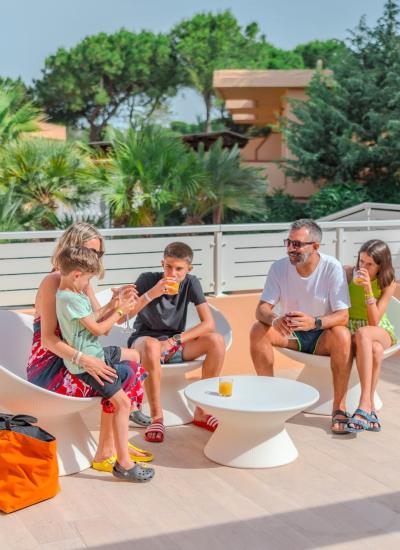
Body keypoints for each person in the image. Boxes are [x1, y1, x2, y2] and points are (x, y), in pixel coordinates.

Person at [27, 222, 153, 473]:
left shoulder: (82, 282)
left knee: (133, 358)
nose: (95, 258)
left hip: (74, 356)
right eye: (92, 252)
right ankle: (110, 450)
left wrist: (116, 303)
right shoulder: (54, 282)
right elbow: (49, 341)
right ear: (73, 250)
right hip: (52, 366)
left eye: (99, 253)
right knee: (124, 372)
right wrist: (85, 359)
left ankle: (115, 443)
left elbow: (101, 327)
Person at [55, 246, 154, 482]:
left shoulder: (74, 294)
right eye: (88, 278)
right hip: (88, 364)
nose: (89, 283)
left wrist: (114, 302)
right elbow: (99, 329)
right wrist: (121, 310)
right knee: (122, 404)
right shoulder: (68, 298)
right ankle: (124, 463)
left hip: (95, 352)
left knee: (134, 356)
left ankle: (133, 397)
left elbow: (94, 318)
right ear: (77, 274)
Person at [250, 219, 353, 434]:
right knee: (258, 329)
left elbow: (343, 315)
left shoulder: (332, 267)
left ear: (315, 246)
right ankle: (269, 400)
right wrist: (274, 318)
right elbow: (261, 309)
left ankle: (339, 408)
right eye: (288, 242)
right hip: (291, 334)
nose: (290, 249)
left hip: (322, 335)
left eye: (296, 244)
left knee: (343, 334)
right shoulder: (279, 267)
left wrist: (314, 322)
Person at [128, 241, 225, 442]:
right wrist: (152, 293)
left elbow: (208, 323)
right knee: (151, 345)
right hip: (144, 343)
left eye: (179, 269)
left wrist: (174, 341)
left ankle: (202, 411)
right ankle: (157, 417)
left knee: (216, 341)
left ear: (188, 269)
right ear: (162, 263)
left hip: (172, 345)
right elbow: (125, 314)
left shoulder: (191, 283)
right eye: (168, 267)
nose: (172, 273)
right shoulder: (148, 280)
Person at [344, 240, 396, 433]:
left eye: (369, 264)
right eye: (361, 261)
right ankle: (370, 409)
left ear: (380, 266)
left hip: (378, 328)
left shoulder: (388, 282)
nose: (362, 267)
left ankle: (364, 403)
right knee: (375, 350)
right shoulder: (349, 273)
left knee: (365, 333)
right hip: (353, 327)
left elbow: (374, 322)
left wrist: (367, 289)